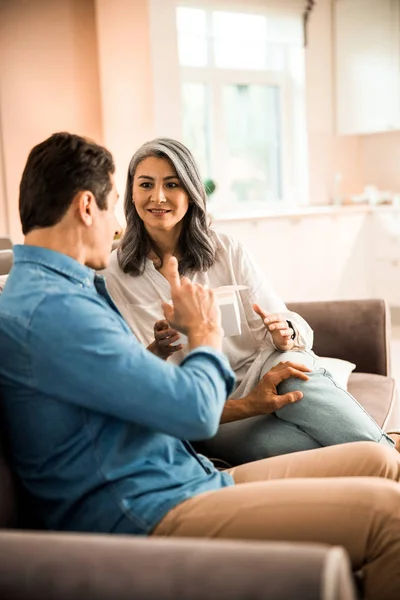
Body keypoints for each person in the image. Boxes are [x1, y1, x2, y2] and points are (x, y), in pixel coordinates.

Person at [1, 132, 400, 600]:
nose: (116, 224)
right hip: (149, 506)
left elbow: (133, 389)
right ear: (88, 206)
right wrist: (204, 331)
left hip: (184, 475)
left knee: (376, 460)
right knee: (388, 516)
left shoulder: (63, 293)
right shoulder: (56, 309)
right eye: (115, 204)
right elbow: (192, 412)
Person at [104, 137, 398, 463]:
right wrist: (157, 349)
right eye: (146, 184)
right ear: (131, 193)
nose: (158, 197)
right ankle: (386, 453)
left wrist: (283, 331)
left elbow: (293, 327)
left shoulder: (226, 249)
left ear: (190, 192)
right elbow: (130, 376)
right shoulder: (113, 273)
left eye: (171, 184)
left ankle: (388, 458)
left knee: (295, 377)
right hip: (216, 406)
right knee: (286, 450)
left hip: (263, 367)